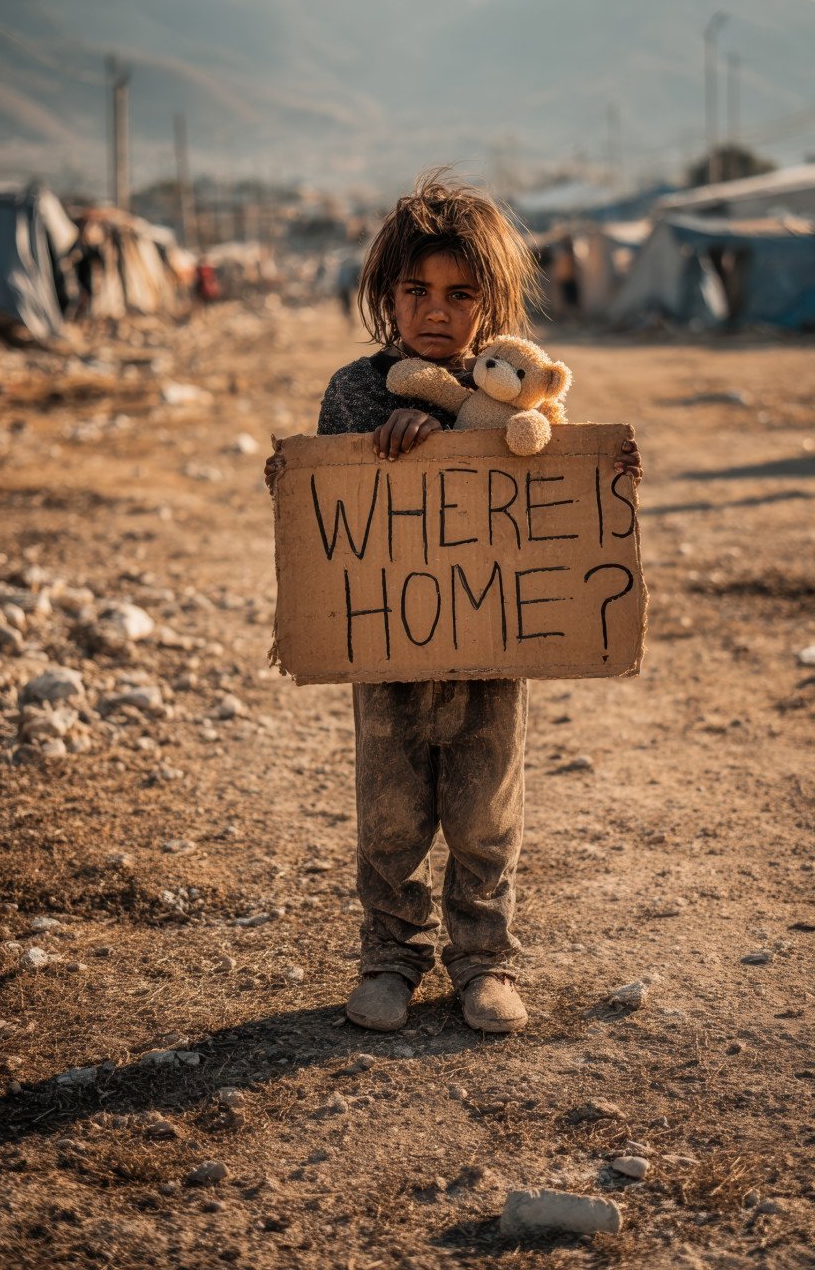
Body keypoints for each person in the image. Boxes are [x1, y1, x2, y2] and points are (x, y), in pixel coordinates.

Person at [264, 173, 641, 1035]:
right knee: (390, 813)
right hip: (386, 652)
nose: (436, 311)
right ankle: (390, 959)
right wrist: (305, 475)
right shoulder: (355, 391)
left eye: (460, 294)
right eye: (416, 291)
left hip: (489, 647)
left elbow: (556, 486)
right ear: (386, 296)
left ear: (491, 302)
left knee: (485, 809)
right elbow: (328, 514)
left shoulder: (515, 396)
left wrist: (605, 485)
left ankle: (485, 962)